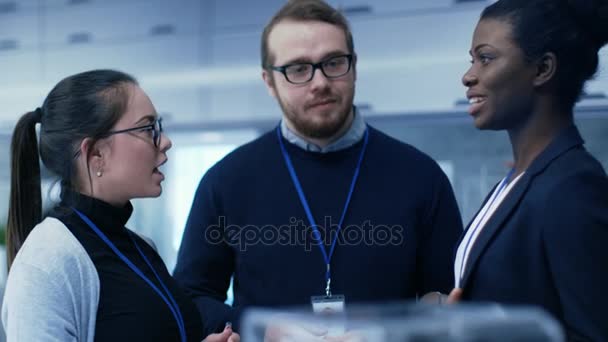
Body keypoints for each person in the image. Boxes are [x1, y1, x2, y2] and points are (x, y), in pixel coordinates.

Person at [173, 0, 463, 337]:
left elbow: (448, 297)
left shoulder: (421, 177)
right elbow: (191, 297)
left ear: (354, 67)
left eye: (333, 63)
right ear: (269, 81)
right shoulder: (226, 181)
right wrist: (263, 330)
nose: (320, 82)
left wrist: (399, 327)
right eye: (298, 69)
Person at [2, 69, 239, 342]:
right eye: (148, 128)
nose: (165, 141)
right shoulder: (48, 260)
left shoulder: (141, 247)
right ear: (96, 153)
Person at [450, 0, 608, 340]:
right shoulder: (519, 179)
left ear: (542, 69)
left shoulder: (573, 188)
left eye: (486, 58)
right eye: (472, 59)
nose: (468, 75)